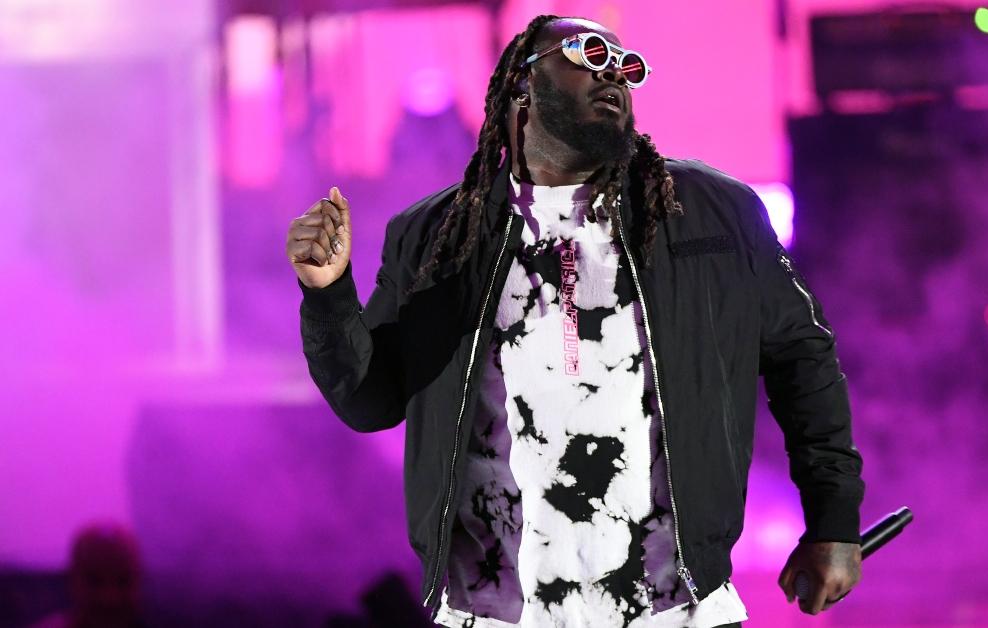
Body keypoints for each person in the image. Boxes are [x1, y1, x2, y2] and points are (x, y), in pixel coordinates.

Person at [288, 15, 864, 628]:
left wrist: (834, 522)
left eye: (626, 65)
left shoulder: (711, 213)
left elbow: (804, 358)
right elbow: (370, 401)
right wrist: (327, 293)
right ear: (520, 85)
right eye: (589, 53)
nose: (614, 71)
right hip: (497, 614)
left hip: (674, 610)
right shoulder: (435, 235)